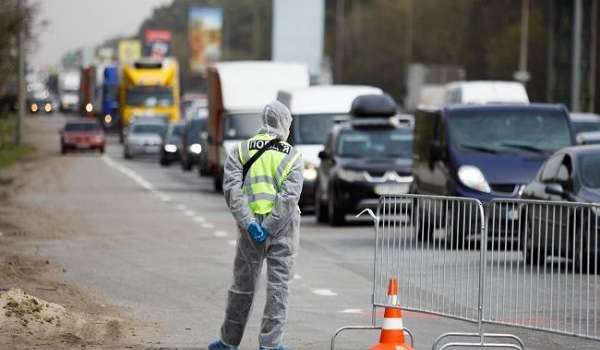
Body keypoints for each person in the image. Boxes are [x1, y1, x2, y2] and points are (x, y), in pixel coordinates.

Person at [209, 101, 303, 350]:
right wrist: (271, 226)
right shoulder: (292, 156)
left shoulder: (240, 151)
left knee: (242, 287)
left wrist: (251, 224)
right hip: (283, 230)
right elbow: (289, 198)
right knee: (278, 288)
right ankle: (270, 345)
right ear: (284, 123)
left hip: (249, 231)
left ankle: (228, 342)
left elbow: (232, 191)